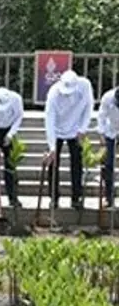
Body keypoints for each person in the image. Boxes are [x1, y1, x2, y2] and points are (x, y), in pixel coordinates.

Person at [43, 70, 94, 210]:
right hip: (57, 130)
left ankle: (76, 197)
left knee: (77, 164)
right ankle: (54, 198)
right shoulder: (53, 94)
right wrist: (52, 147)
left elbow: (88, 107)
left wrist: (83, 129)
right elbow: (49, 121)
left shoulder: (85, 86)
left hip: (76, 130)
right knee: (53, 165)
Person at [97, 81, 118, 208]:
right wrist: (101, 135)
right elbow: (101, 117)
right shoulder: (108, 97)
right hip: (111, 131)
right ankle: (108, 196)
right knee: (107, 163)